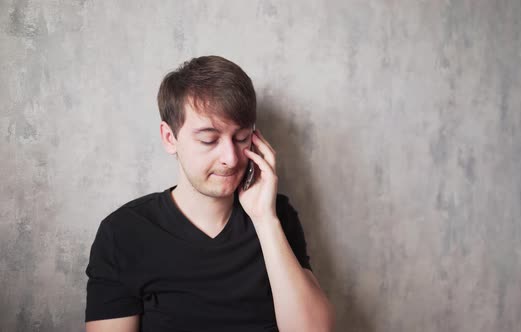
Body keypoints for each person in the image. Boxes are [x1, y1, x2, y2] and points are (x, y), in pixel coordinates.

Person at [84, 55, 334, 332]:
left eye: (241, 138)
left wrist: (265, 219)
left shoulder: (277, 216)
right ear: (170, 138)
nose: (230, 157)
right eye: (209, 139)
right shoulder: (123, 233)